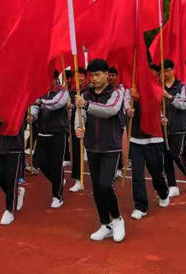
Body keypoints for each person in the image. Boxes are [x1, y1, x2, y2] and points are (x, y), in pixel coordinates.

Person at [75, 58, 125, 243]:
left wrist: (85, 105)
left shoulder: (116, 93)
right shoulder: (85, 94)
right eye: (92, 75)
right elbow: (80, 116)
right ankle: (105, 223)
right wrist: (77, 129)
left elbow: (110, 110)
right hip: (92, 146)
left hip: (110, 146)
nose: (94, 79)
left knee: (105, 185)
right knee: (96, 188)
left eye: (97, 75)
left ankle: (117, 219)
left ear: (106, 75)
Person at [127, 81, 170, 220]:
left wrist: (163, 119)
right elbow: (124, 108)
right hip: (136, 139)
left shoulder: (157, 91)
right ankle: (140, 206)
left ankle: (163, 193)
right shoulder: (130, 91)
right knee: (137, 175)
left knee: (156, 173)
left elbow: (160, 111)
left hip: (154, 139)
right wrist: (128, 110)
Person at [28, 72, 70, 209]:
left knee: (56, 165)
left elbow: (56, 104)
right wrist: (32, 117)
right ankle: (58, 180)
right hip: (42, 134)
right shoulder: (41, 92)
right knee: (39, 163)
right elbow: (34, 107)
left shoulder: (63, 91)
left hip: (58, 134)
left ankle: (57, 196)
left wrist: (40, 102)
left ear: (54, 79)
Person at [161, 59, 186, 197]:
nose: (165, 73)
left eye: (168, 70)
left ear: (173, 70)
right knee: (166, 156)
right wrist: (160, 116)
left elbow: (185, 104)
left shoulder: (182, 87)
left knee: (175, 153)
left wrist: (169, 96)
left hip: (178, 124)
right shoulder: (159, 86)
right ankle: (172, 185)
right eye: (163, 70)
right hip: (163, 125)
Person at [0, 114, 26, 225]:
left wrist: (4, 118)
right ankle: (16, 192)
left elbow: (17, 122)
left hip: (14, 146)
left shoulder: (19, 104)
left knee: (11, 179)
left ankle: (10, 210)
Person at [67, 67, 88, 193]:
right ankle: (78, 180)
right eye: (77, 77)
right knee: (76, 150)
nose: (79, 80)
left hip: (90, 124)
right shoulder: (71, 91)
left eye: (81, 77)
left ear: (86, 77)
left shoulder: (89, 90)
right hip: (76, 125)